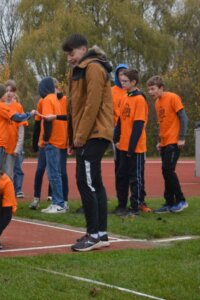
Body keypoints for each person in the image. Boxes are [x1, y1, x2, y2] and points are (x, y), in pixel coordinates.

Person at [62, 33, 114, 252]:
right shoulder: (79, 69)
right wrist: (71, 138)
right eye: (67, 55)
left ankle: (94, 235)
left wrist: (80, 137)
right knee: (93, 182)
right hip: (88, 133)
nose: (69, 58)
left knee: (87, 182)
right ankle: (100, 233)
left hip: (94, 132)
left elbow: (91, 105)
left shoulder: (92, 67)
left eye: (71, 53)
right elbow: (74, 107)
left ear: (83, 49)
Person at [147, 75, 189, 213]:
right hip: (165, 142)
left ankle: (181, 200)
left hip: (174, 141)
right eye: (149, 89)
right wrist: (160, 141)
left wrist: (181, 137)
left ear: (161, 88)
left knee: (168, 170)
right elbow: (161, 123)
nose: (150, 92)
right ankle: (169, 203)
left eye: (153, 89)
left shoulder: (172, 97)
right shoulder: (157, 103)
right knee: (166, 172)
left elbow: (183, 118)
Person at [113, 69, 150, 216]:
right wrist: (116, 138)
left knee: (136, 178)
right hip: (122, 146)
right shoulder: (124, 97)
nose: (122, 83)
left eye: (125, 81)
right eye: (121, 81)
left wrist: (131, 148)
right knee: (121, 176)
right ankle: (121, 205)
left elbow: (138, 126)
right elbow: (120, 122)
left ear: (133, 82)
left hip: (135, 148)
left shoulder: (140, 99)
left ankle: (135, 207)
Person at [34, 77, 69, 213]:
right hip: (60, 139)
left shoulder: (48, 99)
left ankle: (58, 203)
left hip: (53, 140)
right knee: (57, 172)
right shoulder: (55, 99)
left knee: (53, 173)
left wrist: (46, 139)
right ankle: (60, 202)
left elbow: (48, 120)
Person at [0, 83, 34, 171]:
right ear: (1, 95)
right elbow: (17, 118)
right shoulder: (0, 106)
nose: (7, 94)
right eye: (5, 93)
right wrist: (30, 114)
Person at [3, 80, 28, 196]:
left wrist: (18, 147)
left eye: (11, 91)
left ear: (14, 93)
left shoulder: (18, 106)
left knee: (9, 174)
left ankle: (10, 197)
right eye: (6, 91)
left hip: (12, 146)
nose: (8, 93)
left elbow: (21, 128)